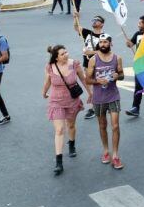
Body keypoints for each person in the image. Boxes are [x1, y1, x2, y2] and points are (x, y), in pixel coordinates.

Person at [42, 45, 91, 175]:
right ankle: (59, 162)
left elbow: (83, 79)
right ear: (56, 57)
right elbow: (47, 81)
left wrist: (90, 94)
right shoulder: (50, 67)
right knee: (59, 130)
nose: (66, 55)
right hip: (56, 101)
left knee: (71, 125)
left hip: (72, 100)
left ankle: (71, 144)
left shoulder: (74, 64)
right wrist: (44, 92)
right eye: (63, 54)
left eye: (66, 52)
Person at [85, 34, 125, 170]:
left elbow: (122, 75)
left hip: (113, 96)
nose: (102, 44)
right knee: (102, 125)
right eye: (101, 42)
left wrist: (117, 76)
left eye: (105, 42)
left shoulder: (117, 58)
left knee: (115, 126)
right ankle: (106, 151)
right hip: (99, 98)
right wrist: (98, 81)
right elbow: (87, 79)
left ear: (110, 43)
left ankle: (115, 155)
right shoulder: (93, 60)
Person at [74, 15, 105, 119]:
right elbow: (76, 27)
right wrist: (76, 17)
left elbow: (106, 51)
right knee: (89, 83)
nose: (94, 21)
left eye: (97, 20)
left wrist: (90, 52)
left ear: (102, 24)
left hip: (98, 63)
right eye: (93, 20)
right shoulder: (87, 33)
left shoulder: (104, 36)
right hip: (87, 62)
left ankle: (94, 108)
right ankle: (96, 104)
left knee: (96, 84)